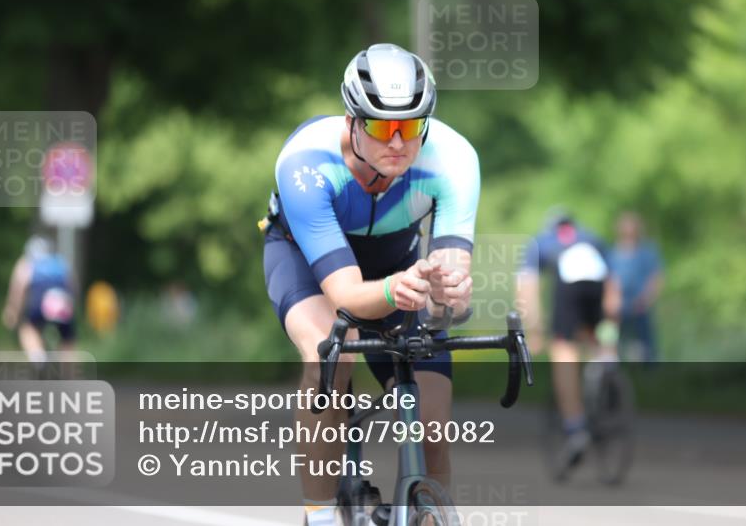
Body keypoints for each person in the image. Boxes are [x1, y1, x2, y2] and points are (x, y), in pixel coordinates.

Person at [261, 43, 479, 526]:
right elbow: (345, 295)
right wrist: (393, 291)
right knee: (331, 354)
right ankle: (318, 516)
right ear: (352, 121)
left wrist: (451, 293)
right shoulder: (306, 162)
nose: (398, 142)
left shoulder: (454, 159)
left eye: (412, 126)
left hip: (398, 263)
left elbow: (448, 273)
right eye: (382, 127)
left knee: (432, 424)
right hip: (307, 262)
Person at [516, 210, 620, 476]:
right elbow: (612, 286)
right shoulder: (592, 238)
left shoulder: (541, 241)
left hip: (570, 285)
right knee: (593, 333)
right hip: (597, 284)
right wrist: (612, 323)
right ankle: (605, 363)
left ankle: (575, 429)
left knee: (563, 349)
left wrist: (534, 330)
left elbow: (527, 288)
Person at [2, 234, 77, 364]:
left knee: (27, 328)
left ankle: (38, 358)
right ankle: (69, 370)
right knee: (67, 339)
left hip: (41, 301)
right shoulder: (59, 261)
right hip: (62, 301)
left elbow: (19, 287)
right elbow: (72, 285)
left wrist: (12, 310)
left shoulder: (27, 262)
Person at [606, 212, 663, 362]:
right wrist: (611, 300)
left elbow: (656, 277)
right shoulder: (613, 253)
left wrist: (646, 298)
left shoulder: (647, 252)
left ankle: (649, 372)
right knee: (615, 341)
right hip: (619, 306)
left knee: (645, 344)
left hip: (640, 304)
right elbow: (610, 278)